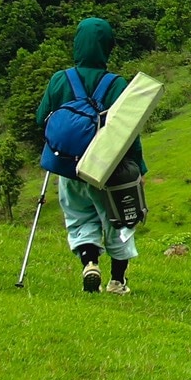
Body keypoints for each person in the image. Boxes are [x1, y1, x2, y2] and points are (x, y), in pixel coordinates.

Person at [36, 17, 146, 295]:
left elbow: (41, 118)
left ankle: (90, 263)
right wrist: (139, 168)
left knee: (78, 217)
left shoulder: (60, 80)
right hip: (105, 169)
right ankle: (117, 282)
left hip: (68, 167)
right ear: (107, 46)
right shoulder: (116, 84)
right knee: (118, 221)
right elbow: (127, 131)